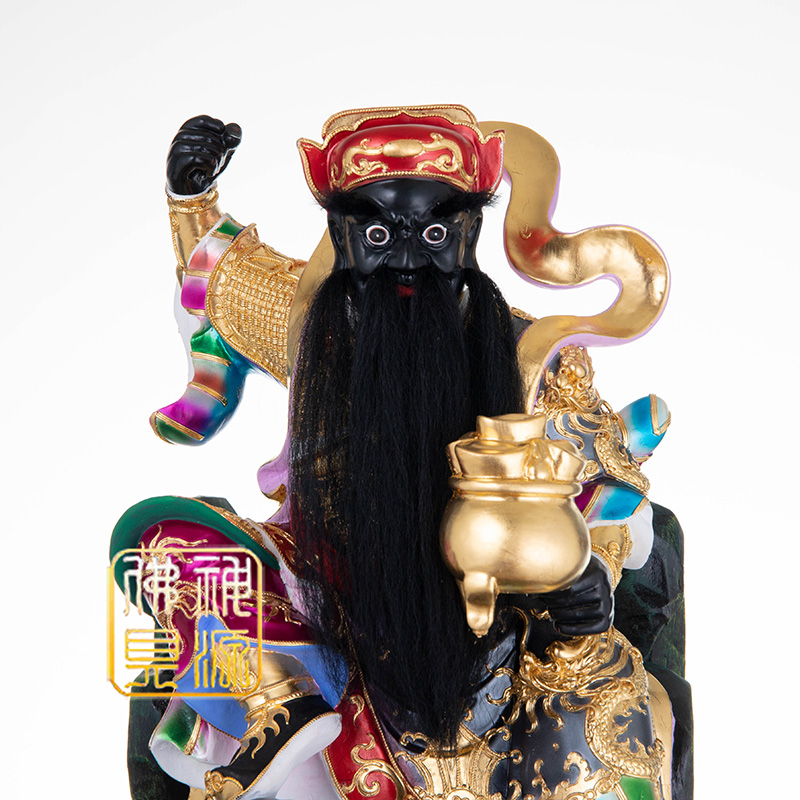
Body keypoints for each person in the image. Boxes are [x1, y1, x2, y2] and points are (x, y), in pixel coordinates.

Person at [111, 106, 691, 800]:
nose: (408, 257)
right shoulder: (316, 331)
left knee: (609, 712)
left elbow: (606, 498)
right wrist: (191, 199)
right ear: (343, 238)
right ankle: (279, 708)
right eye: (380, 235)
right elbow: (220, 279)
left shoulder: (533, 362)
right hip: (327, 604)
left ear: (470, 234)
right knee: (159, 538)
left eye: (436, 233)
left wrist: (586, 575)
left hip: (492, 634)